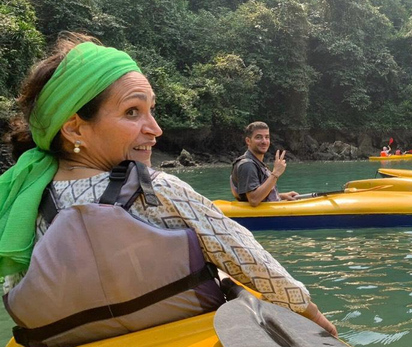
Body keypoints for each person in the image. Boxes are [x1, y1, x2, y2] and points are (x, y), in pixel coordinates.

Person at [0, 34, 336, 344]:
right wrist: (315, 318)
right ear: (74, 128)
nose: (155, 129)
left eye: (151, 110)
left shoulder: (20, 208)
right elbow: (254, 266)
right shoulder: (157, 189)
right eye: (133, 112)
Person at [231, 121, 299, 206]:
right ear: (248, 141)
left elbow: (259, 196)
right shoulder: (247, 165)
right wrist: (275, 173)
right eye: (258, 137)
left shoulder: (256, 163)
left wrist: (281, 196)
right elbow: (254, 200)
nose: (264, 141)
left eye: (267, 137)